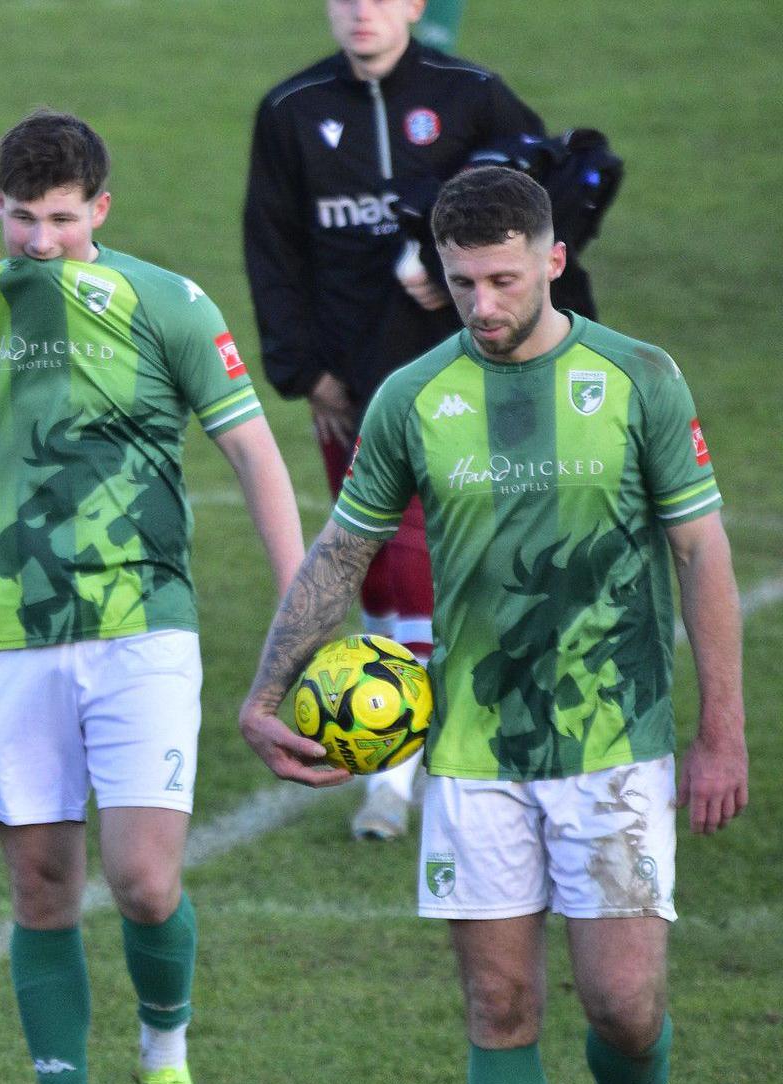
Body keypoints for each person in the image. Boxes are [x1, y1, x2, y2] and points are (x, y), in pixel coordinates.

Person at [239, 165, 747, 1084]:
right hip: (471, 751)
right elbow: (340, 554)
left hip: (613, 741)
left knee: (623, 1006)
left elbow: (699, 550)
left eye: (503, 280)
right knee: (498, 1007)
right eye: (461, 281)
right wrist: (266, 690)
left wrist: (718, 734)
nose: (481, 303)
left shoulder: (638, 377)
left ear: (551, 262)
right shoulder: (412, 398)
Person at [0, 110, 305, 1084]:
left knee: (144, 881)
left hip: (144, 625)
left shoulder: (166, 304)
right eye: (21, 218)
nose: (40, 239)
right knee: (41, 885)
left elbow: (253, 457)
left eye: (60, 217)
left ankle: (164, 1062)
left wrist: (299, 617)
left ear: (98, 208)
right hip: (12, 629)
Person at [243, 0, 591, 840]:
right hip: (356, 393)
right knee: (391, 578)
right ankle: (395, 776)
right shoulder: (291, 111)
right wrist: (305, 371)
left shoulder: (474, 96)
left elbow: (550, 206)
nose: (363, 11)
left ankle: (492, 749)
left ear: (414, 5)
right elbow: (273, 246)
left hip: (479, 386)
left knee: (494, 566)